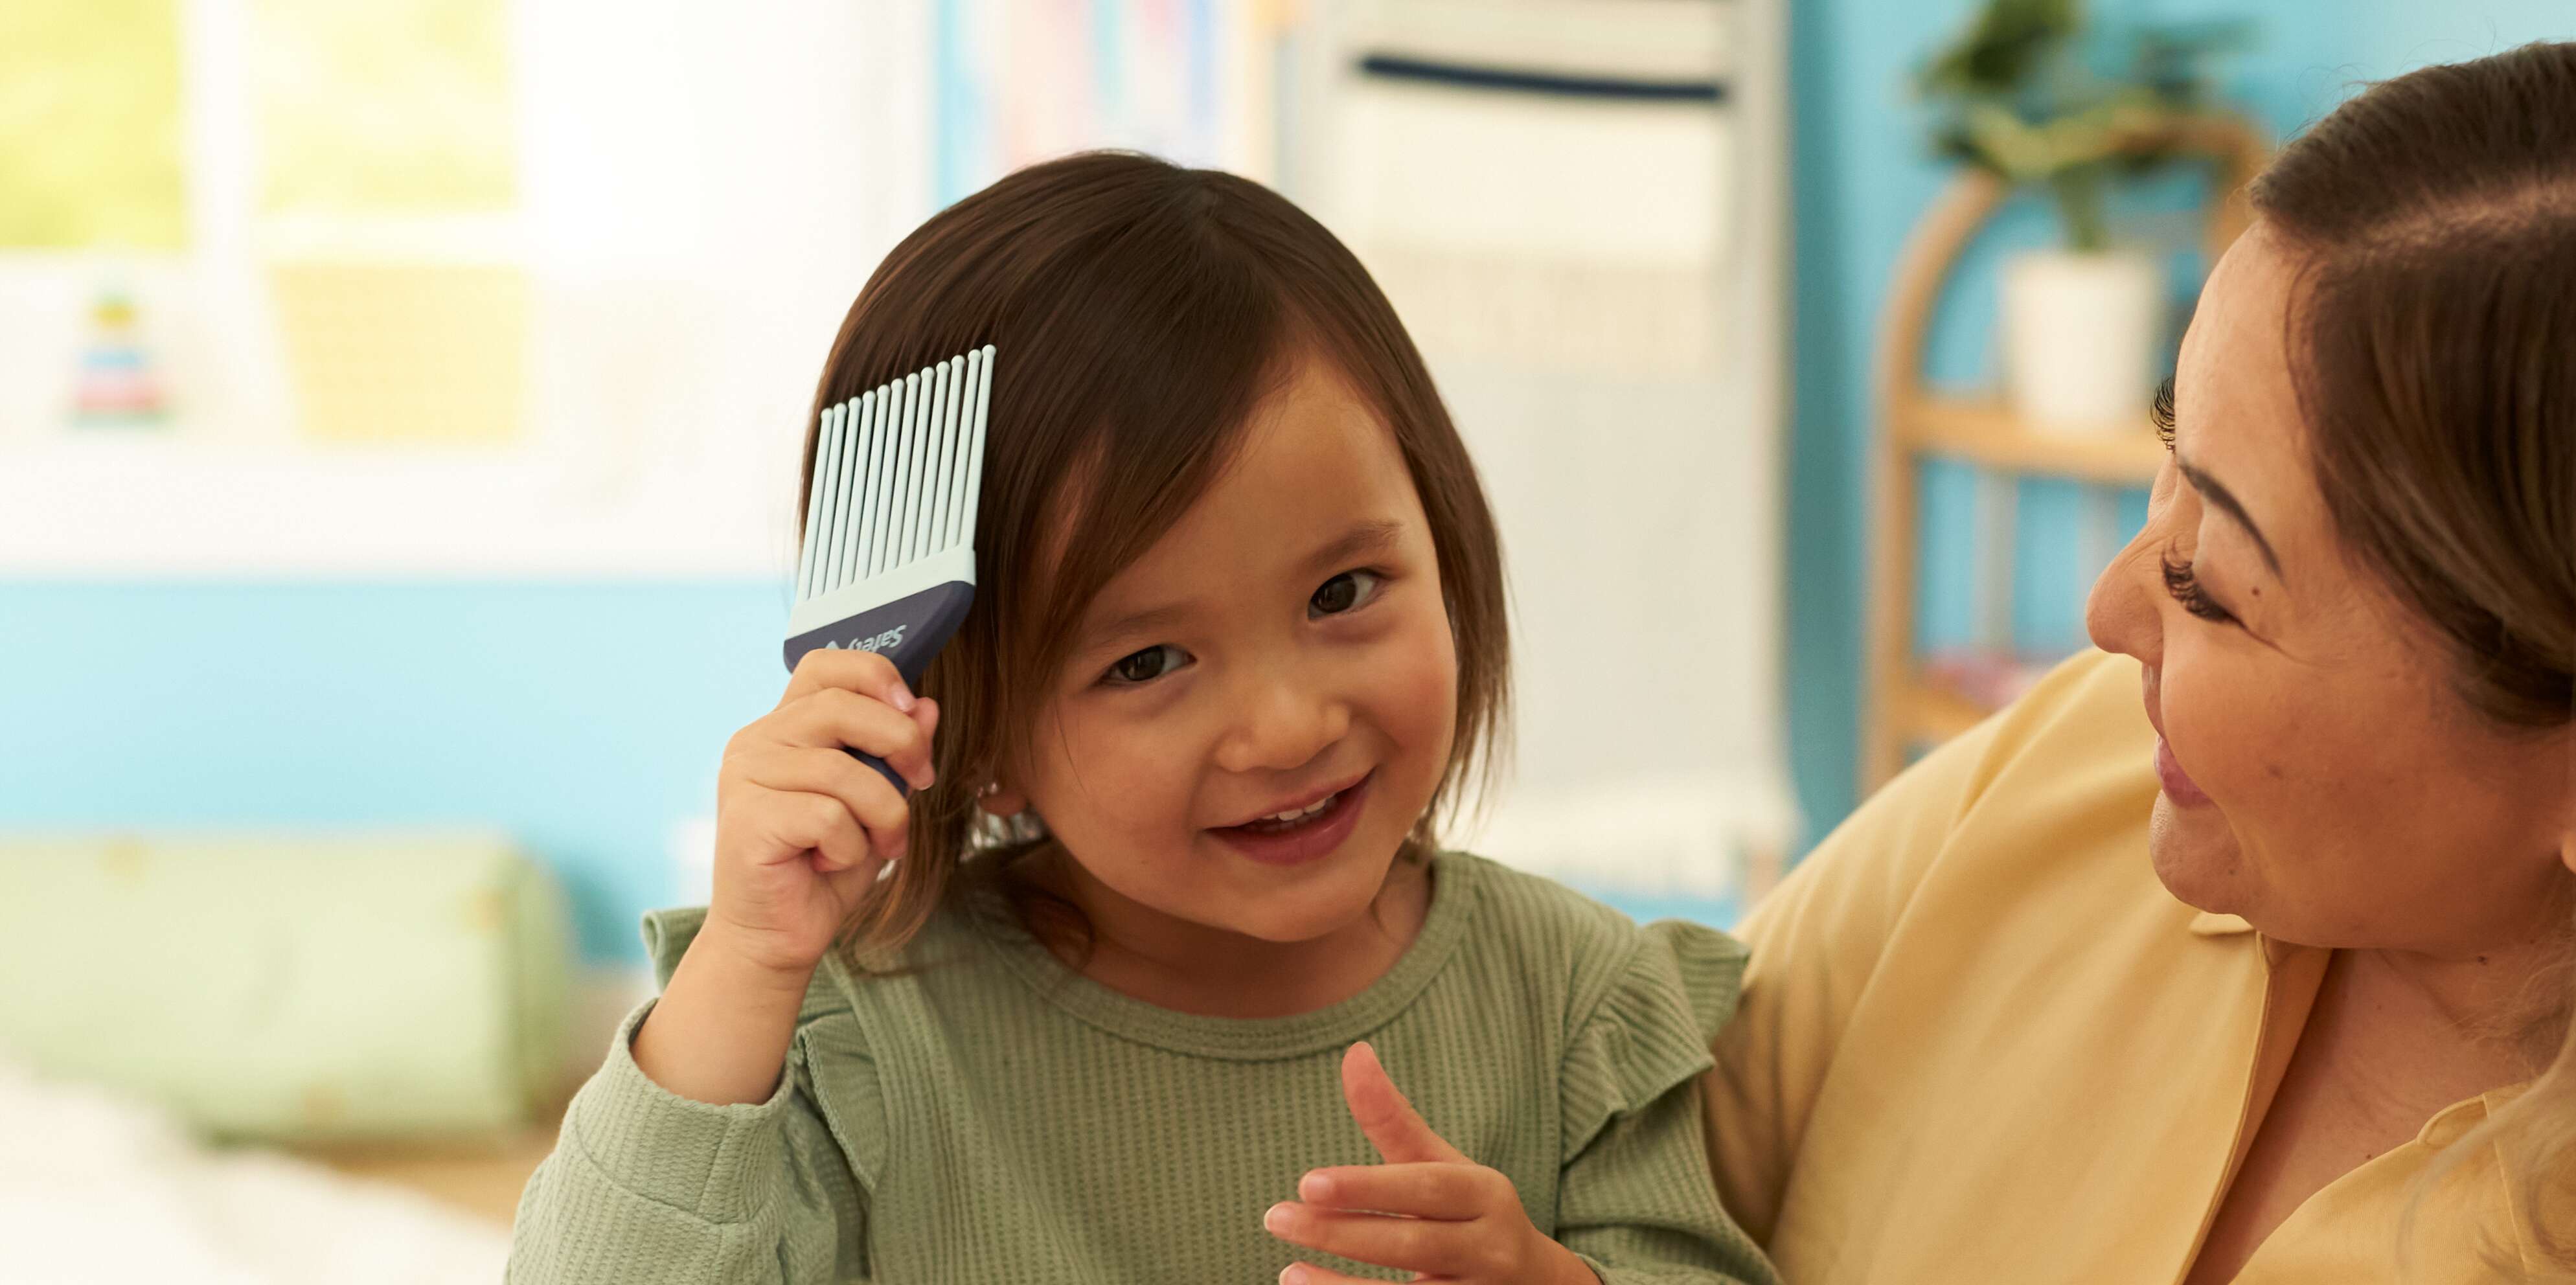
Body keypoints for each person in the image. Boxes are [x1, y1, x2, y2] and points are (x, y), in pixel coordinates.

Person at [1707, 33, 2576, 1285]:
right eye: (2172, 460)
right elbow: (1589, 1104)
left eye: (2214, 586)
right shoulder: (2081, 768)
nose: (2108, 613)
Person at [509, 152, 1775, 1285]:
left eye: (1344, 590)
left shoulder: (1574, 1007)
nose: (1284, 724)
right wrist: (745, 966)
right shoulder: (854, 1036)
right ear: (973, 733)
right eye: (1149, 658)